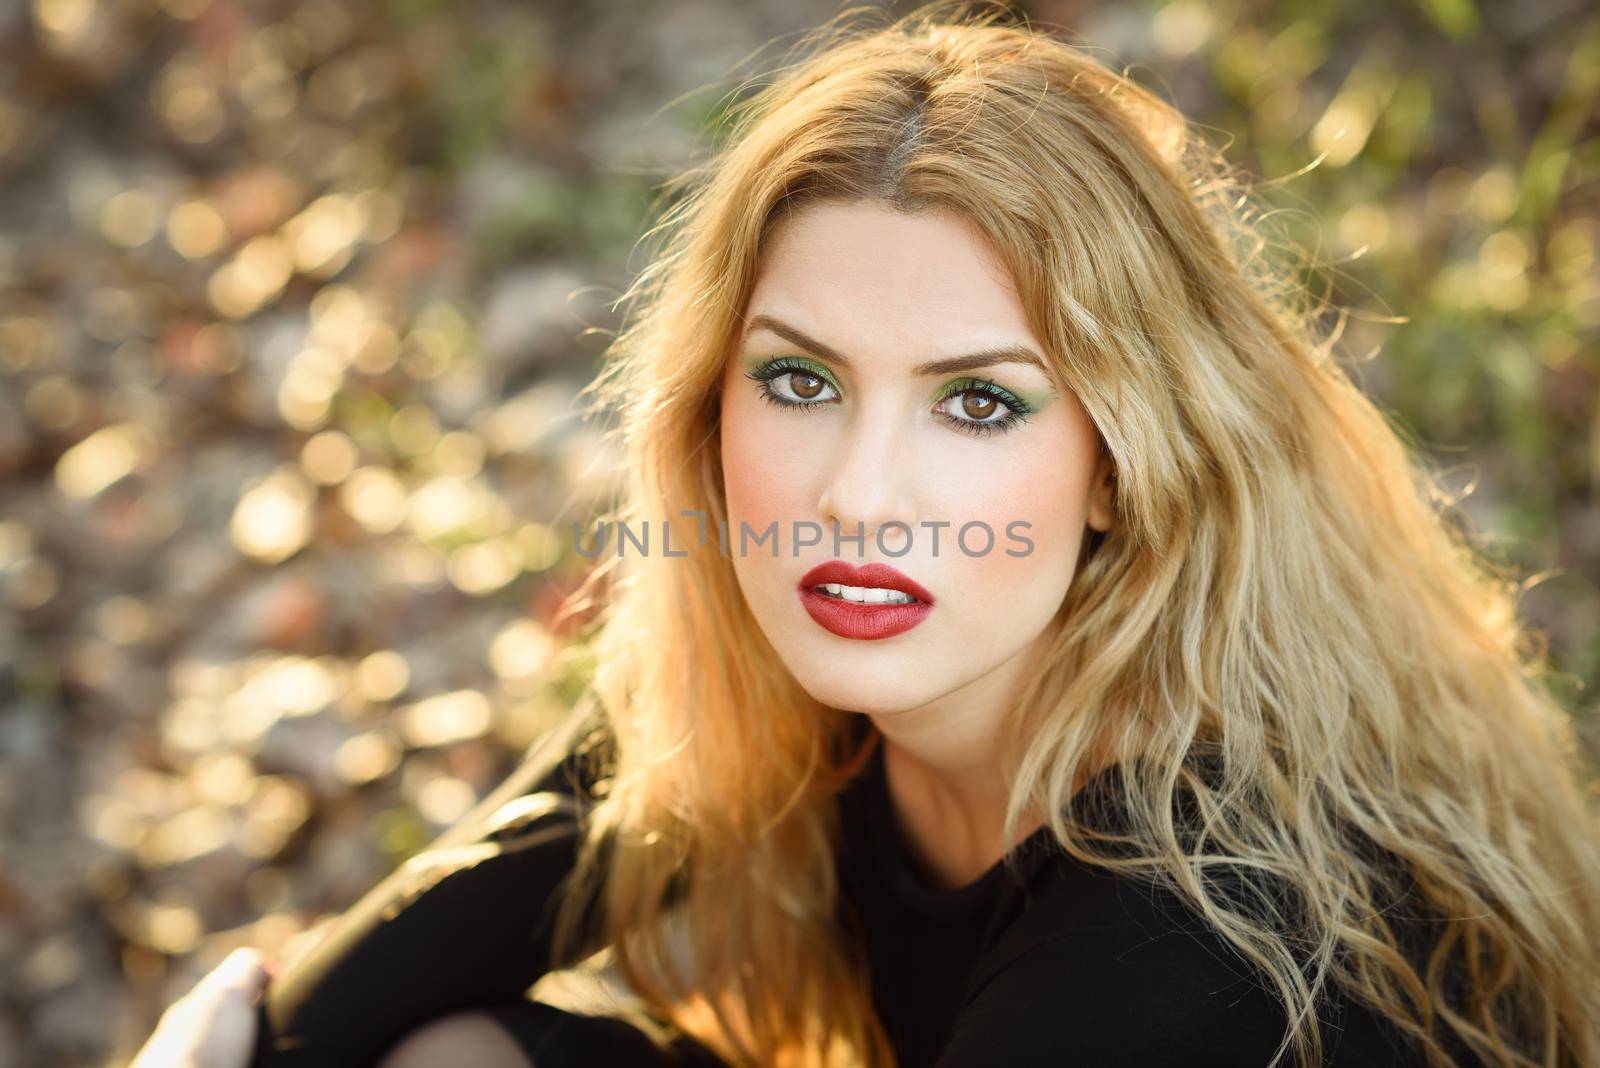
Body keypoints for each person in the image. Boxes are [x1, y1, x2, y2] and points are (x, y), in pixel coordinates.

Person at [132, 3, 1600, 1066]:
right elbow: (354, 995)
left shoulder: (1188, 932)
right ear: (708, 407)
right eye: (799, 380)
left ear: (1119, 465)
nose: (856, 496)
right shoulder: (810, 676)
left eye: (976, 403)